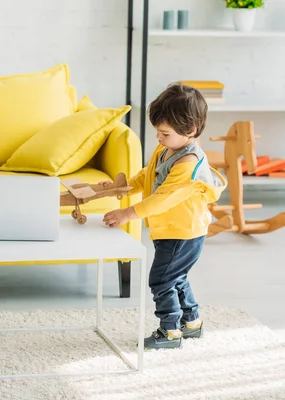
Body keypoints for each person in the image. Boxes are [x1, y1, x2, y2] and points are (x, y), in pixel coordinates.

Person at [102, 82, 227, 350]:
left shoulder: (188, 164)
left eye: (164, 133)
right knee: (176, 277)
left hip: (184, 232)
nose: (158, 138)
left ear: (190, 131)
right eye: (158, 132)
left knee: (162, 279)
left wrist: (127, 213)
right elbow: (149, 174)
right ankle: (191, 322)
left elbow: (162, 199)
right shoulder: (167, 147)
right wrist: (125, 187)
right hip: (171, 229)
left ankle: (170, 331)